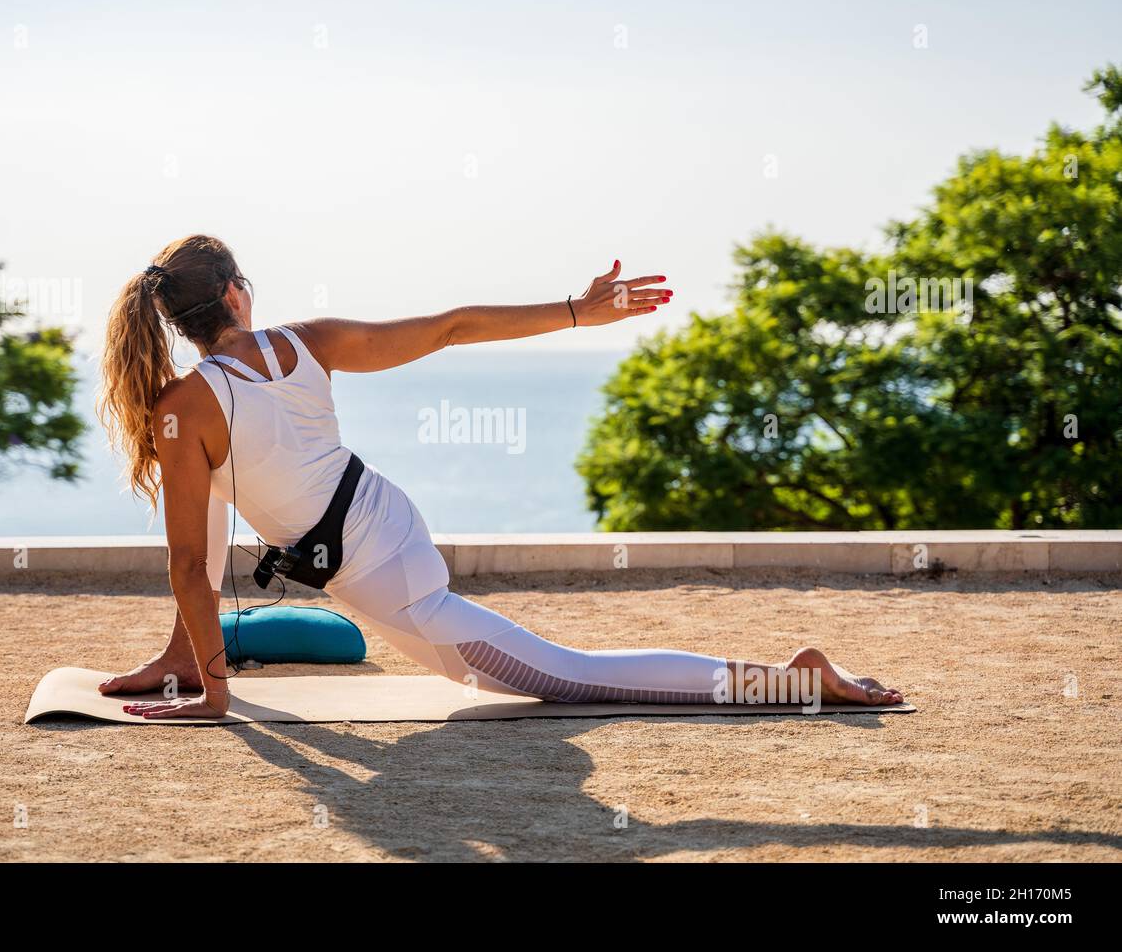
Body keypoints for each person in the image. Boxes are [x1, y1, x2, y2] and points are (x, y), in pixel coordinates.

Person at [96, 235, 903, 718]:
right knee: (198, 504)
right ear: (237, 291)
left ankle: (792, 681)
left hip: (396, 583)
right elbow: (449, 328)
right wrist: (579, 311)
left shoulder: (182, 407)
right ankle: (179, 653)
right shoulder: (302, 341)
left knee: (573, 679)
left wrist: (217, 691)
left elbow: (186, 562)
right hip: (386, 525)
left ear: (174, 320)